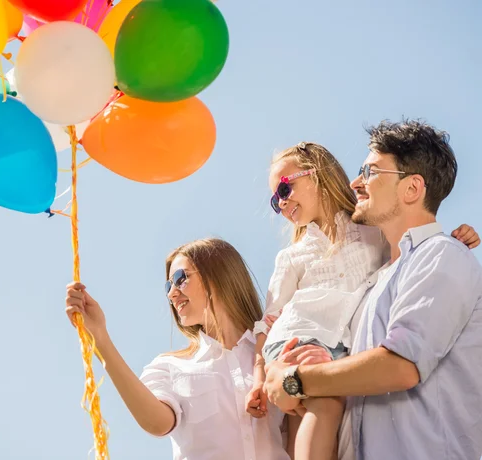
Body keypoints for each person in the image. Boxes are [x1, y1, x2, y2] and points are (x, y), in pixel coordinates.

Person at [263, 120, 482, 460]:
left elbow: (400, 365)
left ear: (412, 189)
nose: (355, 182)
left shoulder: (441, 255)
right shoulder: (370, 287)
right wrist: (285, 374)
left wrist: (296, 380)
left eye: (370, 171)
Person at [65, 238, 324, 460]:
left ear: (219, 273)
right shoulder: (168, 367)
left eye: (180, 279)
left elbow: (299, 434)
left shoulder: (273, 351)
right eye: (168, 286)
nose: (172, 293)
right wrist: (100, 338)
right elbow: (157, 423)